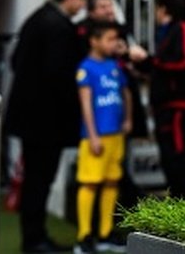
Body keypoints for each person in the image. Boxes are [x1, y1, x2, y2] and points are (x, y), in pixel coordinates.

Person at [5, 0, 89, 254]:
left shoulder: (39, 18)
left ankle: (35, 236)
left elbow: (15, 60)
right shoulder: (58, 27)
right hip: (45, 122)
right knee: (39, 180)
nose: (83, 4)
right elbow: (59, 75)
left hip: (31, 117)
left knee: (35, 179)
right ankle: (34, 240)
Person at [130, 0, 185, 198]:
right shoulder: (164, 33)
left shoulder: (182, 30)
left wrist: (150, 61)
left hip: (177, 107)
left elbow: (183, 63)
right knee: (169, 158)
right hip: (163, 107)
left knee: (179, 156)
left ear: (163, 9)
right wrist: (143, 64)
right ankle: (180, 202)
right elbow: (160, 66)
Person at [74, 22, 132, 254]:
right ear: (94, 41)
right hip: (95, 137)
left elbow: (125, 93)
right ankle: (84, 236)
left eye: (115, 39)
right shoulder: (86, 68)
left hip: (115, 135)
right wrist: (93, 134)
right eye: (109, 39)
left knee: (111, 181)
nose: (113, 44)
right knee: (90, 182)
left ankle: (106, 232)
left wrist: (128, 118)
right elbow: (86, 103)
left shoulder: (114, 65)